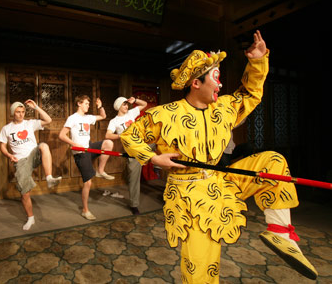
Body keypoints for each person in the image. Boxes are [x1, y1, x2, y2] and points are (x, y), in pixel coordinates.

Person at [120, 31, 317, 282]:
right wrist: (152, 158)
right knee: (201, 268)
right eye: (216, 78)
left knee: (273, 162)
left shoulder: (223, 108)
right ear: (196, 83)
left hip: (220, 181)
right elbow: (130, 136)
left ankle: (280, 232)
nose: (221, 84)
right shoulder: (165, 114)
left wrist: (257, 62)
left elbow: (249, 95)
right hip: (189, 197)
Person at [0, 100, 62, 230]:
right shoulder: (7, 128)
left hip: (34, 154)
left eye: (23, 112)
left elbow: (48, 120)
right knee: (24, 193)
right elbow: (2, 146)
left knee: (43, 145)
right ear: (13, 113)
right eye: (18, 112)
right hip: (20, 160)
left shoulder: (29, 123)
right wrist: (9, 155)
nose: (21, 114)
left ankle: (49, 178)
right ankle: (30, 218)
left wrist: (36, 107)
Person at [59, 95, 114, 221]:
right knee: (88, 183)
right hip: (80, 152)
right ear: (79, 103)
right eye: (86, 104)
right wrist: (74, 144)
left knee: (108, 143)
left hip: (89, 147)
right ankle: (85, 210)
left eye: (89, 104)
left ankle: (100, 171)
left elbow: (103, 116)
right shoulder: (72, 118)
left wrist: (100, 106)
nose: (88, 106)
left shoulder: (88, 118)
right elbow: (61, 135)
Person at [106, 96, 147, 215]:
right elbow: (108, 135)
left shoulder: (130, 113)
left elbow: (144, 104)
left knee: (158, 141)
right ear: (119, 106)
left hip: (143, 143)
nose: (126, 106)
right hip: (131, 149)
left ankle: (157, 164)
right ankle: (134, 205)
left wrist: (135, 101)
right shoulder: (114, 121)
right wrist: (121, 136)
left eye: (126, 104)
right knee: (134, 179)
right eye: (124, 104)